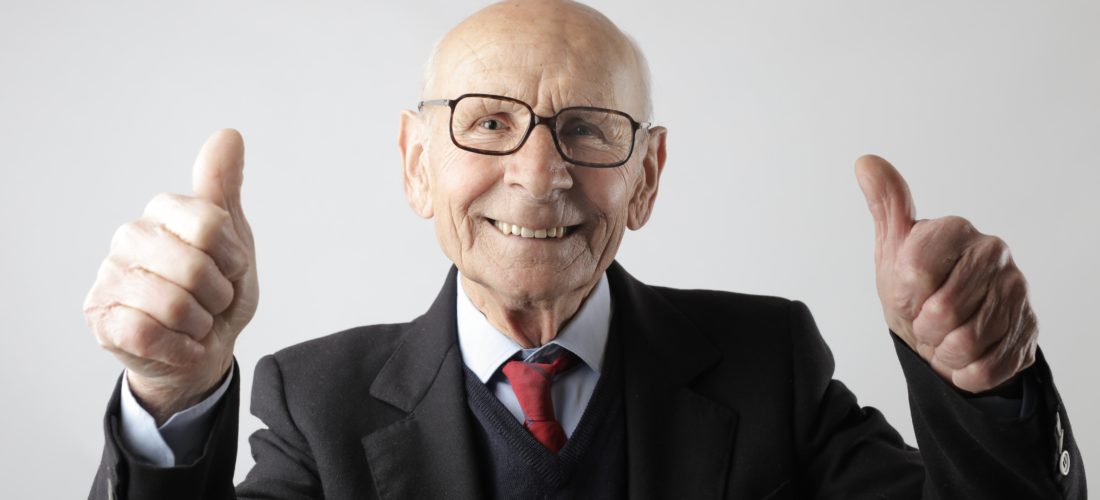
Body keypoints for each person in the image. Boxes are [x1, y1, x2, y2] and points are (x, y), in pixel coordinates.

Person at [84, 1, 1085, 498]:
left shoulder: (767, 364)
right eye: (487, 123)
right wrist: (171, 399)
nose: (539, 173)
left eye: (588, 131)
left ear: (645, 176)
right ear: (416, 163)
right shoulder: (318, 400)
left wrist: (985, 386)